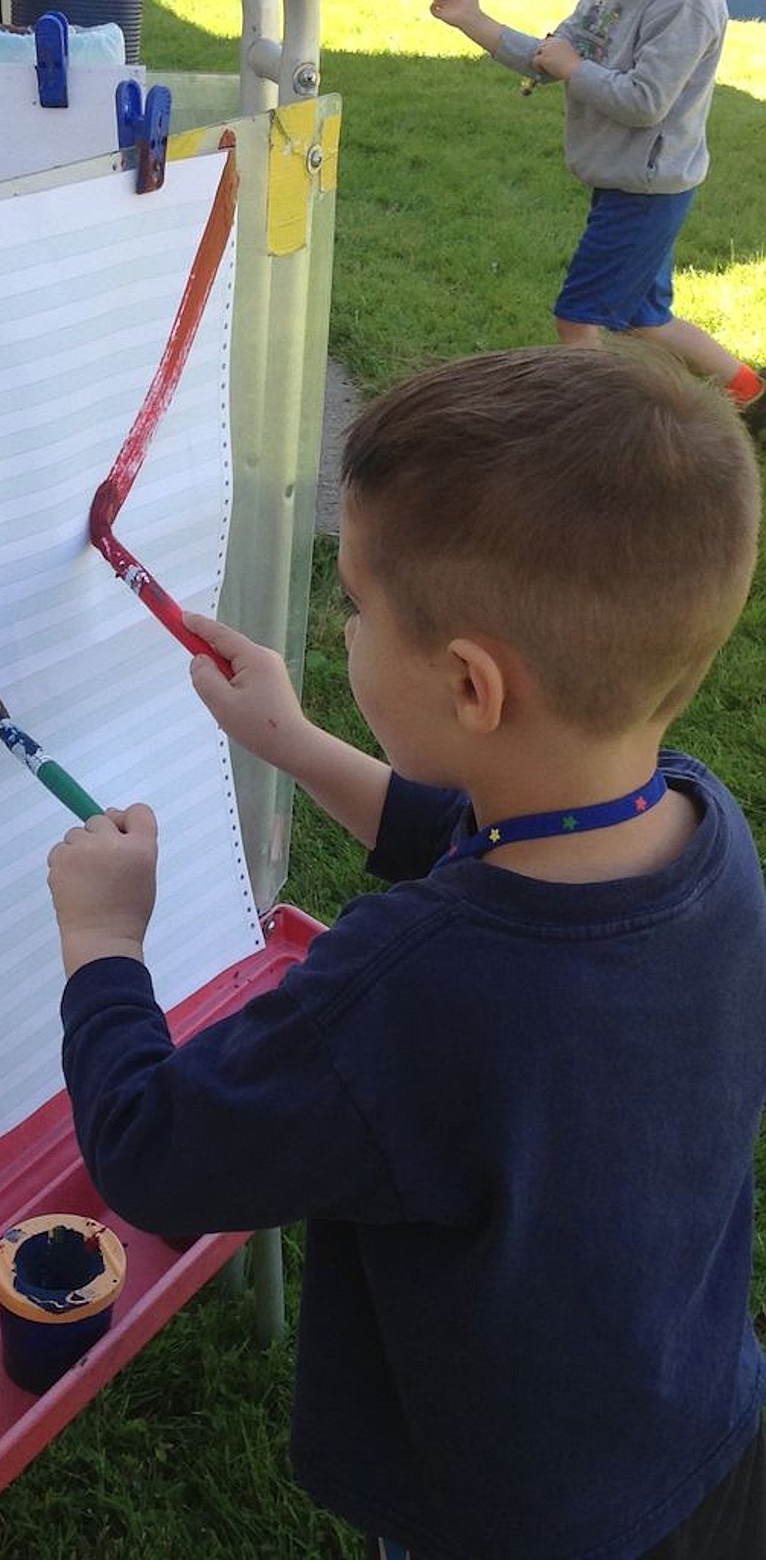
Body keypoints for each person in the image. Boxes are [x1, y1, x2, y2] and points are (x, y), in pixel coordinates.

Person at [46, 345, 766, 1559]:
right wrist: (298, 742)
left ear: (473, 685)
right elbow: (478, 826)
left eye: (362, 609)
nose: (344, 626)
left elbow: (154, 1152)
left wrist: (104, 942)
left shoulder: (414, 988)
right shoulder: (702, 833)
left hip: (507, 1514)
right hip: (701, 1437)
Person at [429, 0, 765, 440]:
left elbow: (645, 102)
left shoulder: (689, 8)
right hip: (627, 179)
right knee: (647, 317)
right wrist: (470, 18)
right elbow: (550, 57)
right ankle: (753, 396)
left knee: (578, 320)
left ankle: (596, 436)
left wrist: (573, 68)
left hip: (647, 189)